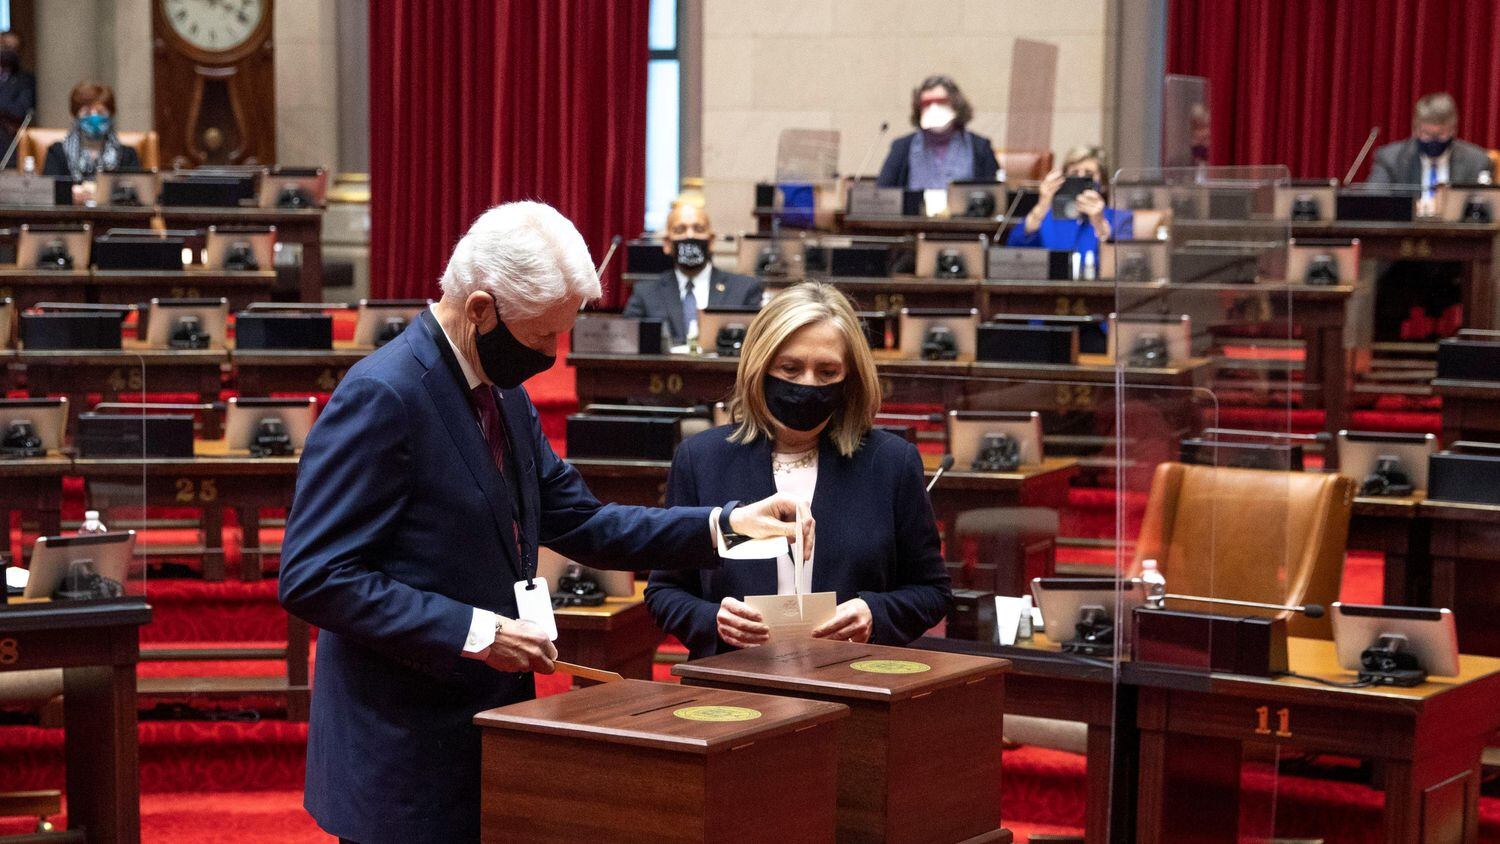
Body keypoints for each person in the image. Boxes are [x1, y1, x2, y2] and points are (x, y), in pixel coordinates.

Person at [278, 201, 813, 844]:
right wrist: (474, 632)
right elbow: (314, 576)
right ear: (480, 309)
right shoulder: (384, 395)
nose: (552, 355)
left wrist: (725, 525)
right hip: (404, 753)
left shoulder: (503, 390)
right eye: (539, 338)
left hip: (491, 730)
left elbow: (584, 522)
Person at [646, 282, 952, 660]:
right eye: (790, 368)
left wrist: (875, 614)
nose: (808, 384)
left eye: (827, 372)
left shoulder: (891, 462)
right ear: (760, 366)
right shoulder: (701, 458)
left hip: (853, 681)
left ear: (850, 378)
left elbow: (932, 591)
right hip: (735, 686)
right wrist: (713, 619)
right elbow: (665, 591)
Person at [622, 201, 762, 345]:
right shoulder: (645, 293)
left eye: (698, 229)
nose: (690, 236)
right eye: (680, 230)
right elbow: (628, 343)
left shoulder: (744, 289)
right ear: (667, 244)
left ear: (712, 241)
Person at [1007, 145, 1132, 260]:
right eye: (1074, 173)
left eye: (1088, 174)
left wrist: (1099, 223)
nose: (1080, 178)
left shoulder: (1120, 219)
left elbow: (1122, 265)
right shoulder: (1047, 218)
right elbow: (1015, 252)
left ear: (1103, 183)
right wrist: (1041, 206)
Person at [876, 74, 1000, 190]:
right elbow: (883, 194)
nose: (933, 108)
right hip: (915, 212)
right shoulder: (902, 147)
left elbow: (995, 195)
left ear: (956, 105)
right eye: (927, 104)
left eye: (941, 102)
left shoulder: (980, 147)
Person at [1368, 92, 1493, 191]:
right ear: (1415, 129)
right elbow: (1375, 202)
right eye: (1427, 134)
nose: (1433, 141)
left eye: (1440, 134)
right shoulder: (1391, 159)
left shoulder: (1477, 161)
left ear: (1453, 130)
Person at [41, 81, 140, 197]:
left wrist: (102, 193)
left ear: (111, 116)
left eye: (101, 112)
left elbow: (135, 193)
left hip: (111, 214)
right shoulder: (57, 152)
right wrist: (71, 194)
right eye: (87, 113)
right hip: (71, 214)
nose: (94, 118)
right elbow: (48, 192)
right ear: (75, 117)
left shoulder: (127, 155)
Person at [0, 32, 35, 167]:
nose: (8, 52)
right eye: (4, 46)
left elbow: (20, 111)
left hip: (8, 146)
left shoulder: (25, 80)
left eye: (13, 48)